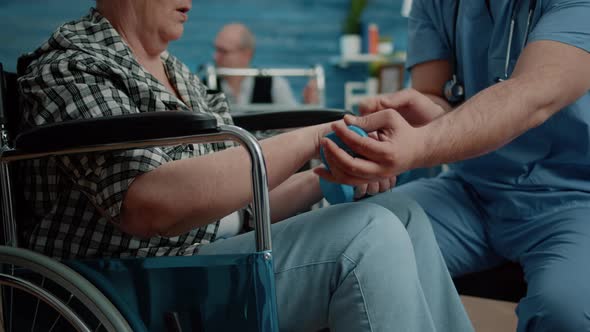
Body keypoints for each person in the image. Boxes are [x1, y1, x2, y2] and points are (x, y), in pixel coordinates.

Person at [16, 1, 473, 331]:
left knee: (402, 214)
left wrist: (329, 171)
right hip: (133, 283)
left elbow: (244, 199)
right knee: (368, 235)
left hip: (213, 259)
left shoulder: (178, 74)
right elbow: (151, 203)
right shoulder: (73, 64)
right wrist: (315, 137)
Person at [316, 1, 590, 331]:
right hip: (471, 188)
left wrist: (421, 144)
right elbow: (434, 95)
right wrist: (405, 125)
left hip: (574, 196)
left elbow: (533, 96)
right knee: (342, 247)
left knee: (563, 312)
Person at [212, 22, 318, 106]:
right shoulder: (205, 87)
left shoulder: (274, 85)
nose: (215, 57)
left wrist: (309, 107)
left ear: (247, 54)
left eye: (223, 51)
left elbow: (294, 127)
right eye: (216, 50)